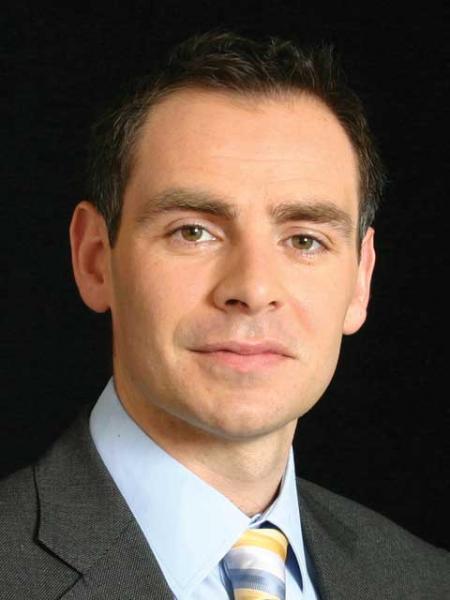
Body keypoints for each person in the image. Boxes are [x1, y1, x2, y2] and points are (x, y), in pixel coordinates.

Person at [1, 30, 448, 600]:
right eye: (193, 231)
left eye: (305, 240)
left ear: (360, 280)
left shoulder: (427, 580)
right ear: (95, 260)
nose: (253, 289)